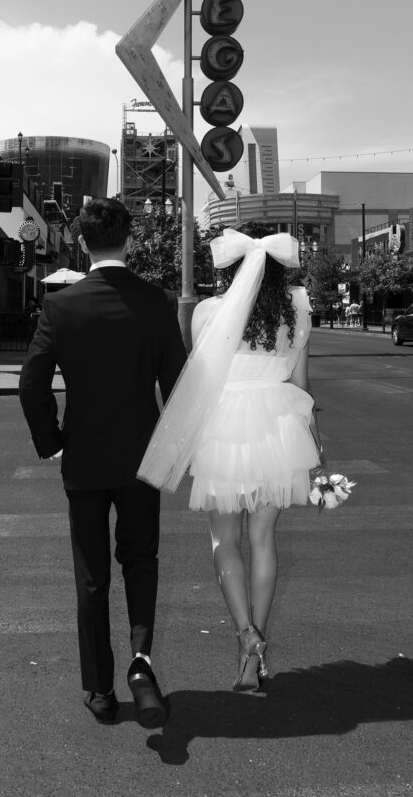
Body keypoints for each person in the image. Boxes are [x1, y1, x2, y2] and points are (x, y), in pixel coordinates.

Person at [19, 199, 187, 727]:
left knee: (91, 577)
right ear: (129, 240)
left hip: (86, 458)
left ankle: (99, 688)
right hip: (142, 457)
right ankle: (141, 663)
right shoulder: (156, 301)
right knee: (141, 562)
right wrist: (176, 446)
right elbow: (178, 385)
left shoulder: (62, 306)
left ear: (84, 245)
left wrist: (52, 441)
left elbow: (31, 382)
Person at [138, 227, 323, 693]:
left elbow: (201, 380)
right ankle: (248, 662)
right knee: (264, 540)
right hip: (279, 425)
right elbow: (301, 385)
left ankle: (246, 632)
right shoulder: (297, 307)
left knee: (224, 541)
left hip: (224, 427)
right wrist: (315, 446)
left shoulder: (207, 311)